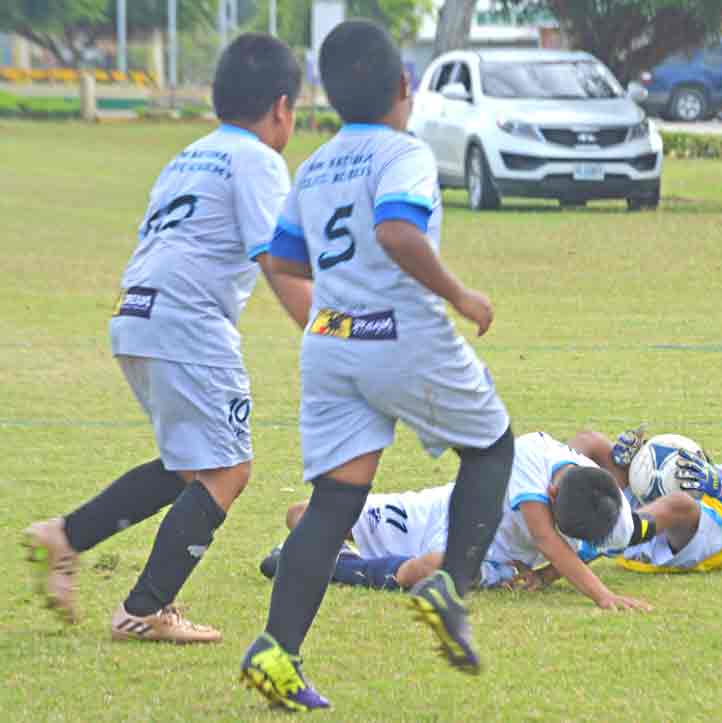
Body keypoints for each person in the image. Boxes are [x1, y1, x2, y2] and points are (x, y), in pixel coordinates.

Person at [238, 20, 515, 712]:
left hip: (331, 344)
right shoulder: (404, 152)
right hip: (402, 333)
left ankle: (275, 650)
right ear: (403, 86)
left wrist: (332, 319)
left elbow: (283, 260)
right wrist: (460, 294)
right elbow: (396, 230)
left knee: (334, 503)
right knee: (491, 446)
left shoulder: (315, 165)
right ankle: (451, 584)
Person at [22, 33, 301, 643]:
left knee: (189, 466)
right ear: (282, 107)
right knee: (227, 471)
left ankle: (64, 538)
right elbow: (277, 259)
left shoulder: (189, 156)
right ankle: (143, 610)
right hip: (187, 322)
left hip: (136, 313)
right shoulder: (258, 160)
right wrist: (327, 328)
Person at [258, 432, 655, 612]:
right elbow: (546, 540)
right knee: (302, 515)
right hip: (442, 510)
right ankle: (328, 557)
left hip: (487, 558)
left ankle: (337, 567)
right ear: (551, 493)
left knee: (431, 567)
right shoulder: (529, 457)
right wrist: (603, 596)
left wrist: (545, 577)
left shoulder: (613, 514)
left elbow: (586, 548)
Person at [514, 398, 722, 587]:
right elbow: (675, 475)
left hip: (706, 539)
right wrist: (633, 460)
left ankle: (584, 546)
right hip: (659, 520)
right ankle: (554, 503)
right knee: (592, 442)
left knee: (681, 503)